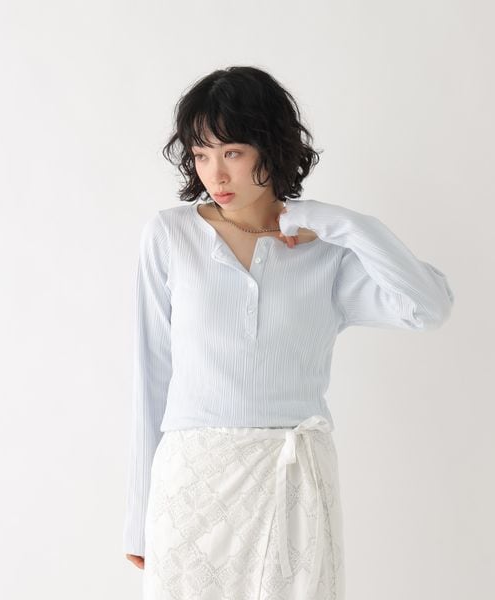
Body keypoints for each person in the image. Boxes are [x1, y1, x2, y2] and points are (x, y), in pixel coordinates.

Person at [122, 65, 455, 599]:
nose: (215, 175)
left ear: (271, 148)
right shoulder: (170, 236)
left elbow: (429, 307)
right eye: (201, 155)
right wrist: (137, 514)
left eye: (232, 152)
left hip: (293, 482)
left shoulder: (326, 252)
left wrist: (340, 223)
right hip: (193, 487)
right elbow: (152, 373)